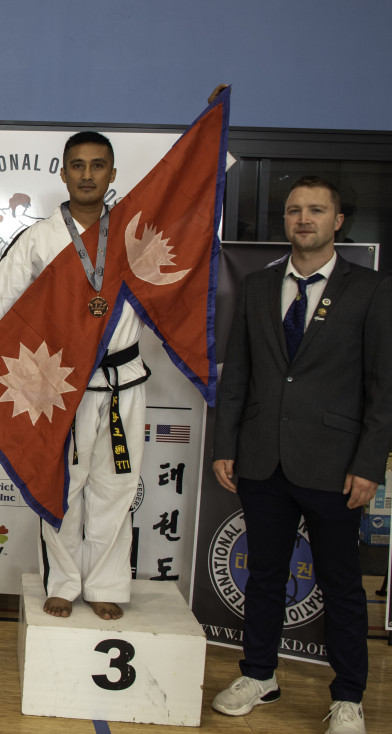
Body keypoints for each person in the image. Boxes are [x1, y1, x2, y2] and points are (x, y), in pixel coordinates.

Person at [0, 131, 145, 620]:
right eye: (77, 165)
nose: (87, 175)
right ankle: (64, 583)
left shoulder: (136, 236)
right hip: (61, 384)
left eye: (97, 165)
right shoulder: (38, 239)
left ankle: (107, 583)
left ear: (112, 174)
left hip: (124, 379)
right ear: (63, 174)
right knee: (63, 486)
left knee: (116, 488)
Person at [211, 176, 392, 734]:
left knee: (341, 584)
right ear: (284, 220)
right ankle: (258, 674)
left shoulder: (371, 289)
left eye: (316, 210)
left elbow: (383, 387)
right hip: (262, 459)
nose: (304, 219)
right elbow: (238, 373)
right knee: (265, 575)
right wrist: (226, 445)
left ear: (338, 221)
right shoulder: (259, 287)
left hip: (335, 465)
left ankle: (349, 697)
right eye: (294, 210)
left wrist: (369, 464)